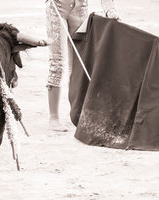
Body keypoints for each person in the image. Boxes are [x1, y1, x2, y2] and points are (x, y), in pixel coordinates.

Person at [45, 0, 120, 131]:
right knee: (57, 61)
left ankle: (79, 112)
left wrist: (110, 10)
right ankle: (54, 117)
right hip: (57, 9)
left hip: (80, 11)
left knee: (81, 62)